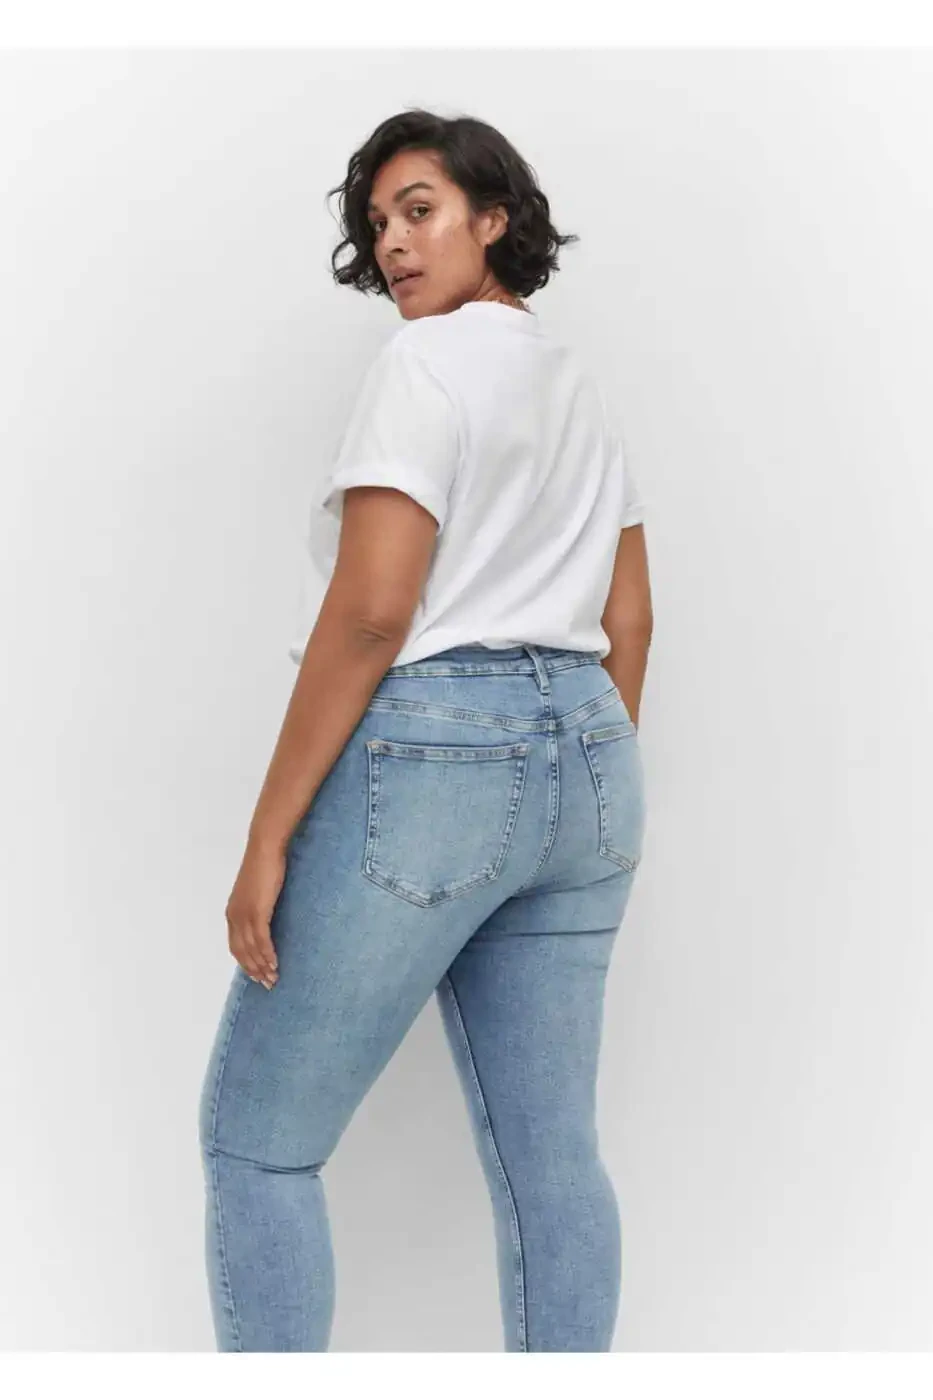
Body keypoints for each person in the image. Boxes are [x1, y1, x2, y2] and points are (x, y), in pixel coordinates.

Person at [198, 107, 654, 1353]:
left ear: (493, 220)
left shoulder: (423, 366)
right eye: (378, 223)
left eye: (420, 211)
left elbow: (371, 613)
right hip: (593, 760)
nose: (393, 243)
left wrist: (269, 834)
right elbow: (630, 615)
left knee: (259, 1145)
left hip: (437, 756)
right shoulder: (574, 381)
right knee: (550, 1157)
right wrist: (570, 775)